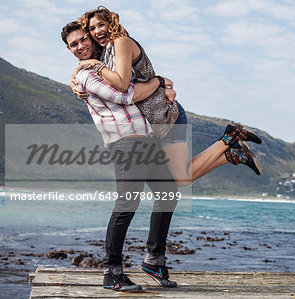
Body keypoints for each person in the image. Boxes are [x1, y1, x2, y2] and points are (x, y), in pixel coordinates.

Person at [72, 6, 263, 190]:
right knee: (179, 180)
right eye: (92, 28)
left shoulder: (121, 42)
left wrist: (94, 64)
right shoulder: (106, 54)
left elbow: (122, 84)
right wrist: (75, 80)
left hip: (166, 115)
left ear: (111, 23)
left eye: (101, 25)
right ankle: (234, 153)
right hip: (152, 124)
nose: (97, 31)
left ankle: (230, 138)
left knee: (181, 179)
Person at [62, 21, 179, 291]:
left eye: (83, 40)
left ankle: (154, 260)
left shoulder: (105, 65)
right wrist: (159, 81)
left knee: (168, 194)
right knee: (126, 206)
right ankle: (112, 272)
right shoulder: (86, 76)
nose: (80, 47)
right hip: (126, 144)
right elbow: (125, 95)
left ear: (91, 38)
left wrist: (160, 87)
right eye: (73, 45)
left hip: (146, 141)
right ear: (69, 50)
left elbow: (132, 84)